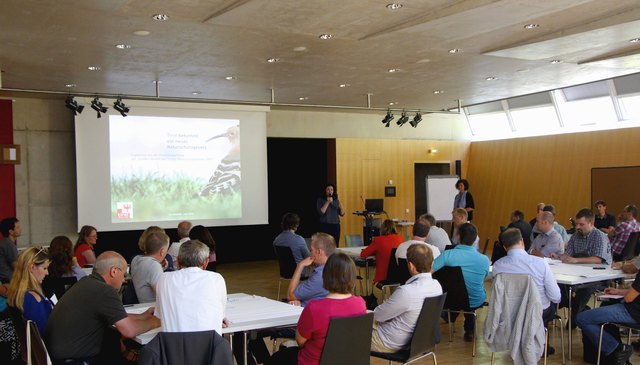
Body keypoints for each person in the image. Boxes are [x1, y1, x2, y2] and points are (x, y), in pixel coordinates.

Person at [45, 251, 160, 364]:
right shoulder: (104, 290)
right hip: (76, 360)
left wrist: (143, 316)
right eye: (124, 274)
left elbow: (116, 317)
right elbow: (129, 330)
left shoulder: (87, 283)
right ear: (114, 271)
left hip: (59, 356)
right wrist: (155, 321)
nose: (124, 279)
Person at [266, 252, 366, 365]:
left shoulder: (315, 308)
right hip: (347, 360)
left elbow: (300, 341)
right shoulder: (360, 304)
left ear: (325, 276)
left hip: (314, 361)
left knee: (278, 357)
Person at [492, 228, 561, 353]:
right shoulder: (541, 263)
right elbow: (555, 296)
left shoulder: (498, 266)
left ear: (504, 247)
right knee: (548, 304)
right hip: (538, 311)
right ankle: (540, 344)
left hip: (509, 311)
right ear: (522, 241)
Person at [371, 244, 442, 352]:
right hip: (419, 342)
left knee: (352, 329)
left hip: (389, 342)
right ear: (432, 263)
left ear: (411, 266)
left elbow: (378, 316)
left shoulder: (406, 292)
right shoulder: (437, 286)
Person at [552, 208, 612, 327]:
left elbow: (598, 259)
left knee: (583, 291)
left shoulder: (599, 236)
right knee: (558, 286)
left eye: (582, 224)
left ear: (591, 223)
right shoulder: (575, 236)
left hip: (598, 276)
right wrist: (558, 257)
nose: (578, 227)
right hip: (577, 273)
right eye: (577, 223)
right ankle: (582, 309)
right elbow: (568, 254)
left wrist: (576, 260)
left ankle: (575, 318)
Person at [156, 239, 228, 334]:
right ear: (206, 263)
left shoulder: (164, 279)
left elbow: (159, 316)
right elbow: (220, 315)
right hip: (209, 346)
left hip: (173, 347)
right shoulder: (217, 279)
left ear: (177, 261)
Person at [432, 223, 489, 341]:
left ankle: (449, 316)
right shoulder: (484, 259)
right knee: (469, 293)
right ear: (475, 239)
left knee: (459, 293)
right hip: (475, 299)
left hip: (451, 299)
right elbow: (483, 278)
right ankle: (470, 330)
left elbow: (430, 271)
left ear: (458, 237)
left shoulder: (447, 255)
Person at [576, 276, 639, 365]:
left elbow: (629, 298)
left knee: (582, 318)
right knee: (606, 306)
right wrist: (619, 292)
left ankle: (616, 348)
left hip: (632, 313)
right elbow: (635, 292)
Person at [7, 247, 53, 335]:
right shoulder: (32, 299)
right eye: (44, 268)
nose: (47, 273)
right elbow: (44, 332)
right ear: (32, 267)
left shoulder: (17, 294)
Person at [288, 233, 335, 307]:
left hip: (307, 313)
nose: (310, 253)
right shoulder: (338, 268)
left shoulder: (320, 276)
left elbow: (290, 295)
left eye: (311, 250)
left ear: (319, 252)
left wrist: (300, 265)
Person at [131, 231, 170, 303]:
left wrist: (160, 267)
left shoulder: (136, 260)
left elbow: (146, 274)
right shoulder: (153, 265)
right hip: (153, 309)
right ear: (162, 251)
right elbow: (163, 295)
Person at [0, 217, 21, 284]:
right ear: (11, 231)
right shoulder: (9, 245)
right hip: (8, 282)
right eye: (17, 227)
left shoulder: (5, 243)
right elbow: (17, 266)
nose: (20, 229)